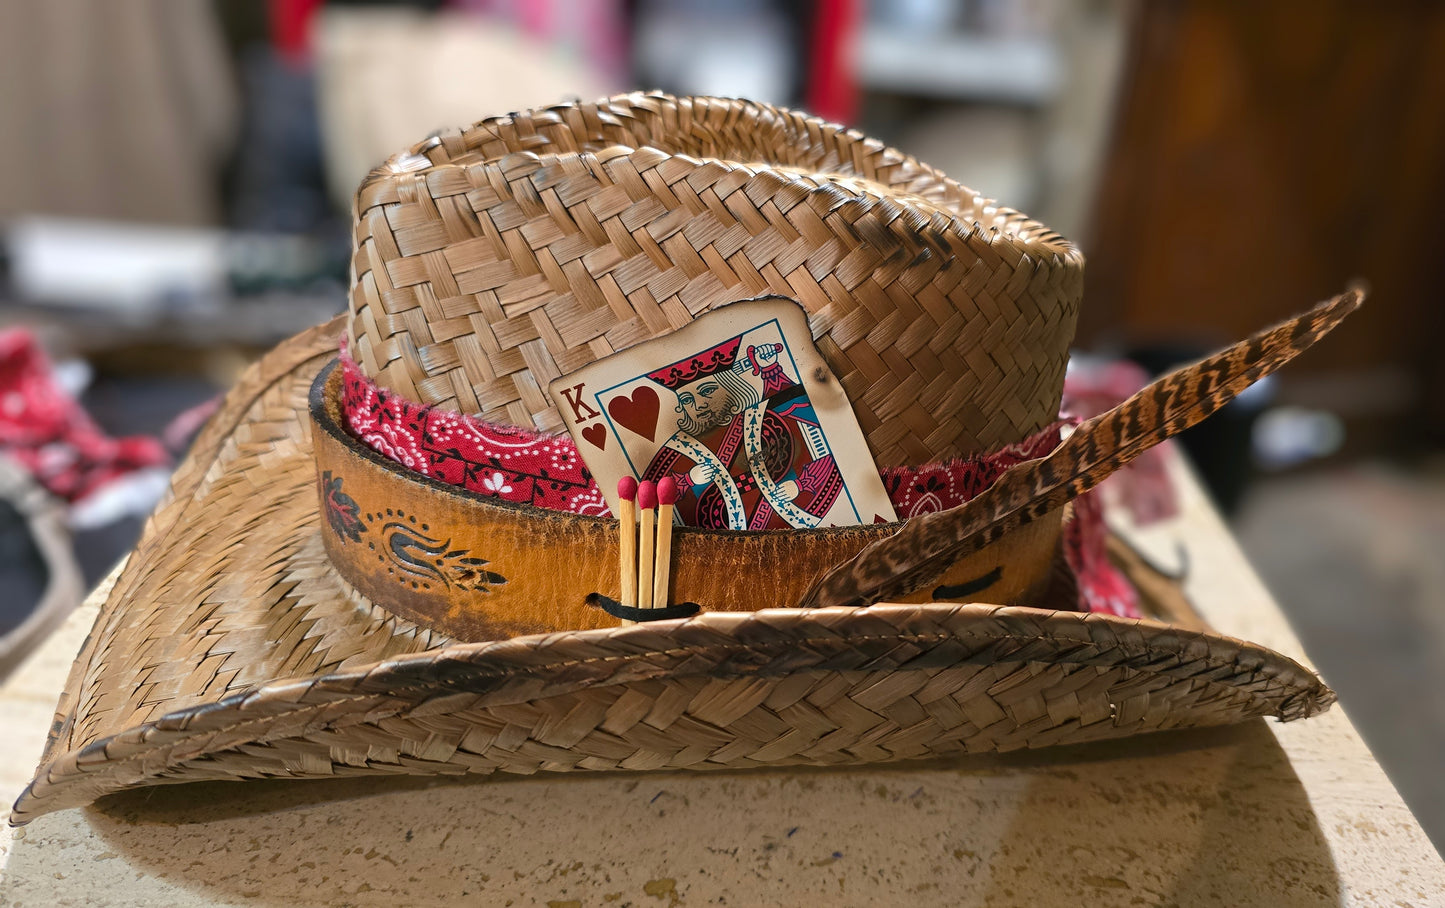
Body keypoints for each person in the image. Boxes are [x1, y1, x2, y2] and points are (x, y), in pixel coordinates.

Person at [641, 336, 846, 529]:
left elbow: (837, 450)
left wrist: (800, 485)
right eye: (687, 400)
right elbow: (649, 499)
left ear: (732, 388)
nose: (699, 405)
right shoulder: (679, 448)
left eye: (708, 391)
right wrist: (688, 479)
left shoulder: (768, 417)